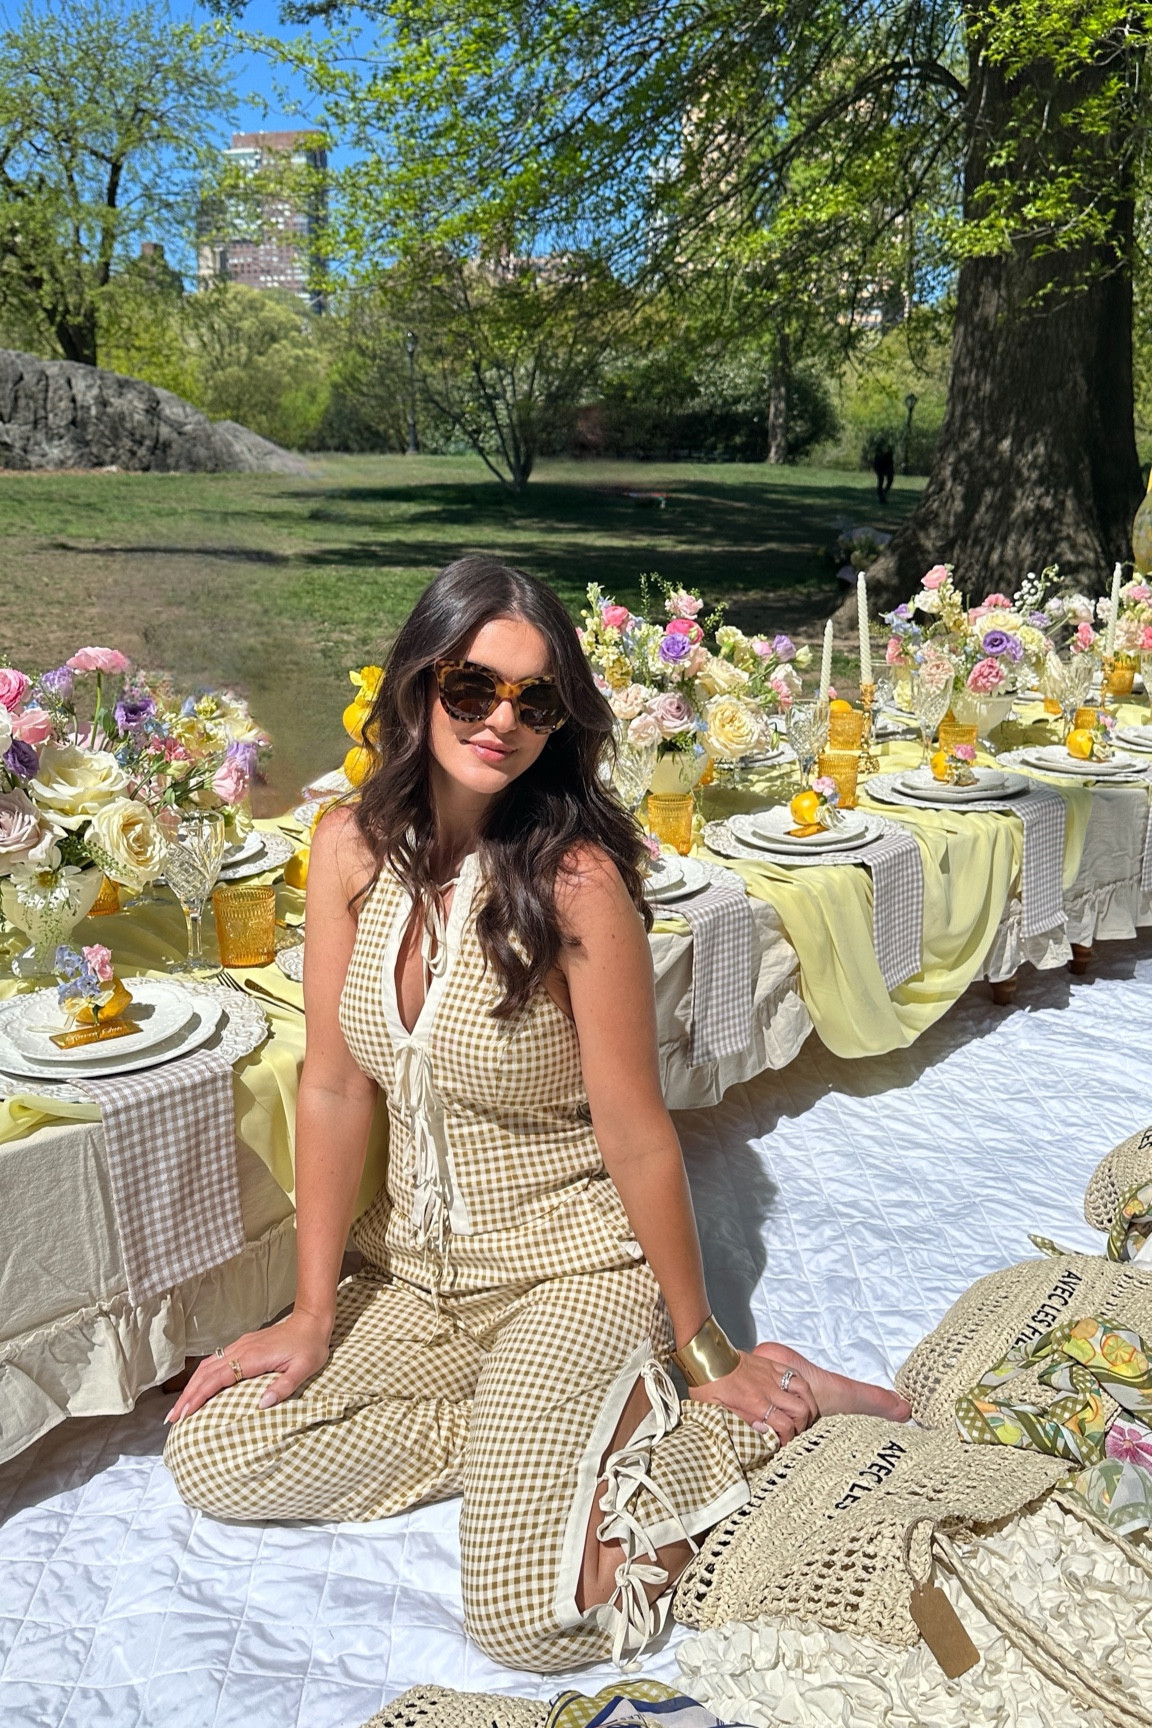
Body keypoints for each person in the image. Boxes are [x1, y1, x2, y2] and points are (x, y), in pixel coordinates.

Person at [164, 558, 908, 1672]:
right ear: (420, 685)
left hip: (571, 1269)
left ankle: (729, 1410)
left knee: (532, 1615)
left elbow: (635, 1130)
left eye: (535, 701)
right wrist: (314, 1311)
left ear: (562, 722)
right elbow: (332, 1084)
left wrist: (703, 1343)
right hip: (419, 1273)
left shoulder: (575, 883)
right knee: (219, 1451)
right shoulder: (344, 850)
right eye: (474, 689)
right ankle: (535, 1438)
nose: (501, 721)